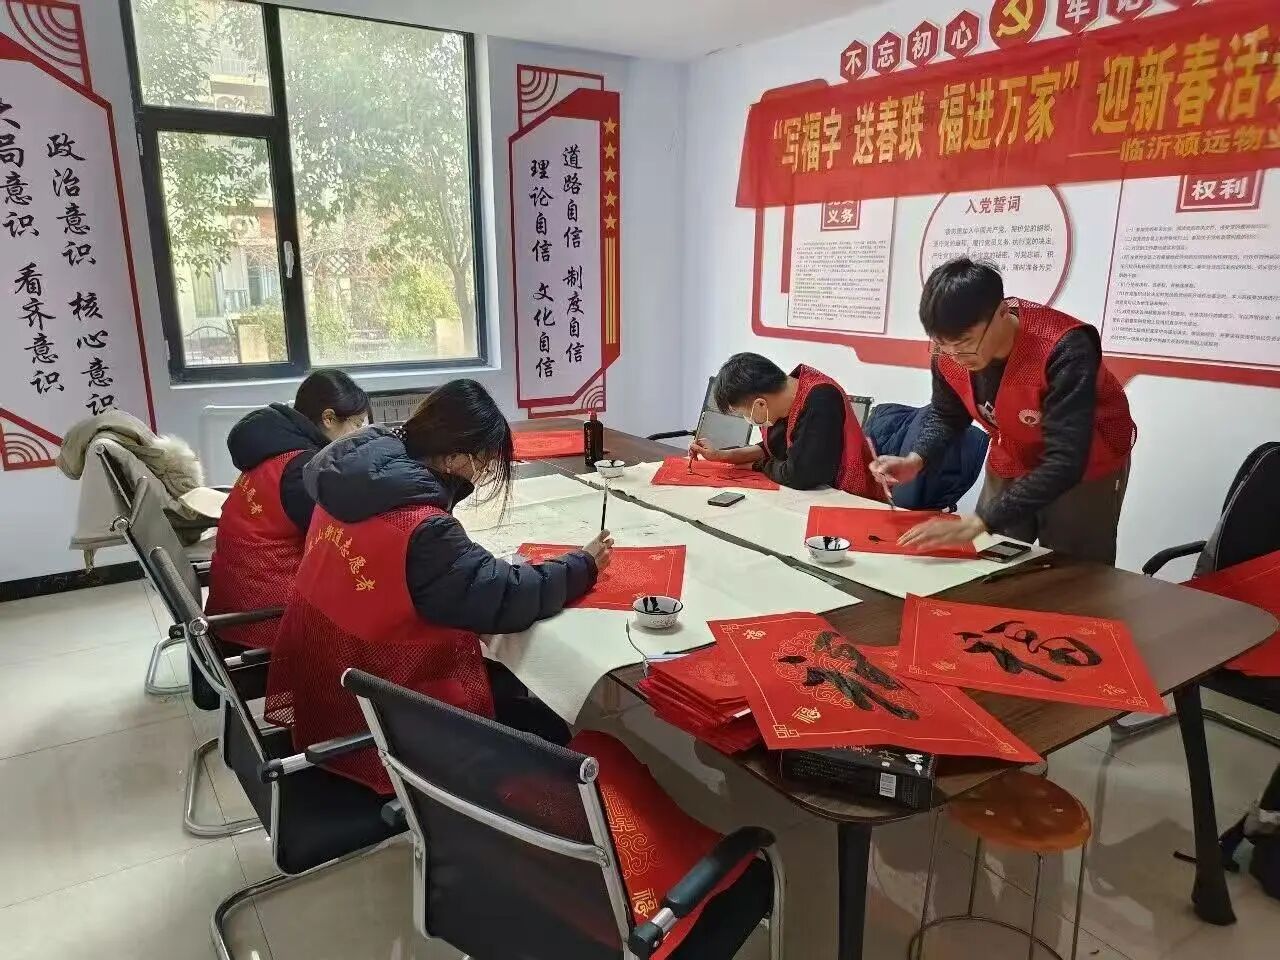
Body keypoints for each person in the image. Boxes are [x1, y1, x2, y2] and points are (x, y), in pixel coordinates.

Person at [263, 378, 614, 794]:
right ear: (453, 458)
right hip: (388, 720)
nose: (483, 473)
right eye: (483, 461)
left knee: (506, 679)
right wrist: (581, 565)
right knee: (547, 721)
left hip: (333, 694)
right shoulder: (422, 529)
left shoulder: (344, 483)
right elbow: (504, 596)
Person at [872, 258, 1136, 564]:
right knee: (990, 553)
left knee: (1073, 568)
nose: (955, 355)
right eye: (943, 344)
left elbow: (1066, 459)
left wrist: (980, 520)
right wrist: (916, 460)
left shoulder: (1064, 347)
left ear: (1001, 312)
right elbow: (947, 414)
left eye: (965, 342)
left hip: (1085, 464)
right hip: (1011, 452)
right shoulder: (949, 352)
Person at [205, 369, 371, 651]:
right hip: (266, 616)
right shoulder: (301, 470)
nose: (360, 434)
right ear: (328, 418)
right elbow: (338, 538)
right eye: (356, 425)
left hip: (235, 599)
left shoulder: (274, 446)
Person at [689, 352, 881, 498]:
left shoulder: (821, 399)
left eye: (744, 414)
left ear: (760, 404)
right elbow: (771, 449)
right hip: (811, 497)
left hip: (852, 499)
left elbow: (800, 475)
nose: (747, 419)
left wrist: (755, 465)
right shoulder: (785, 398)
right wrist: (720, 456)